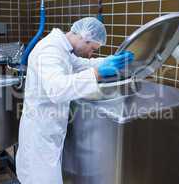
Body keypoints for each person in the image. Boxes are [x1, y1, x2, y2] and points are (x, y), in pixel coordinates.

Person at [16, 17, 134, 184]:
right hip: (40, 133)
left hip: (49, 129)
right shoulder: (49, 50)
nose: (90, 53)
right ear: (83, 37)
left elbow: (82, 64)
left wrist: (108, 61)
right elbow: (57, 89)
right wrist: (98, 74)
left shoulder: (63, 49)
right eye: (92, 48)